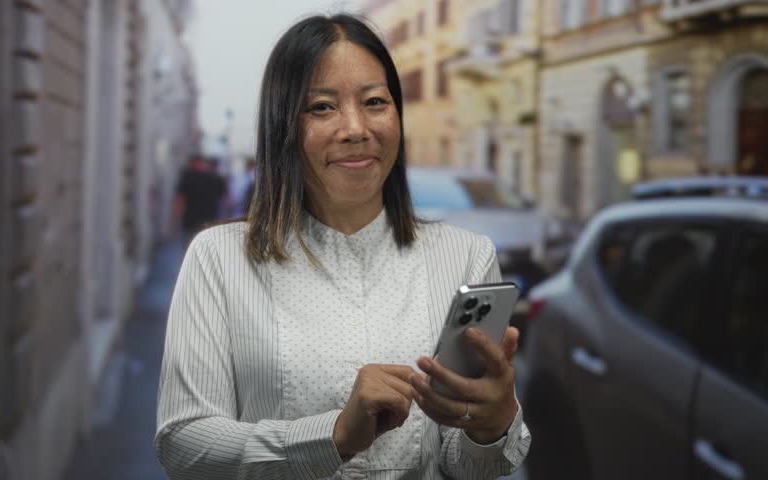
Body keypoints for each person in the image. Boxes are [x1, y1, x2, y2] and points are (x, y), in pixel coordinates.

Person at [155, 13, 530, 479]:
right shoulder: (219, 259)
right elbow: (183, 445)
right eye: (322, 107)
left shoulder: (466, 255)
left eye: (375, 101)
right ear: (283, 126)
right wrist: (333, 435)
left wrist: (489, 426)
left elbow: (467, 467)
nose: (355, 128)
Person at [172, 154, 227, 247]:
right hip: (209, 218)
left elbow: (180, 200)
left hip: (190, 219)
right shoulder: (215, 178)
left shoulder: (187, 177)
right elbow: (225, 200)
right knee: (208, 246)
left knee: (189, 247)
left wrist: (174, 219)